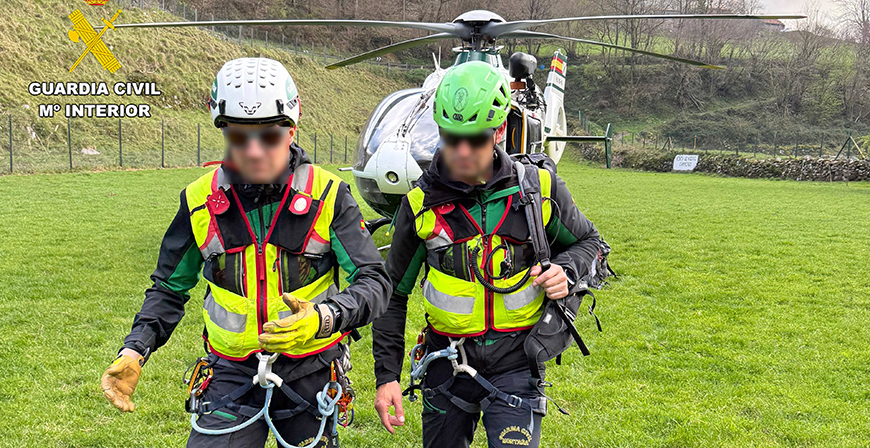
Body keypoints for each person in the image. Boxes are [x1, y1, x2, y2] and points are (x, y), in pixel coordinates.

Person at [101, 57, 391, 448]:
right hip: (230, 376)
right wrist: (135, 349)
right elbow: (169, 289)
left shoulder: (328, 196)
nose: (254, 152)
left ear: (291, 131)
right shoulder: (199, 201)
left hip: (311, 373)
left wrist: (325, 318)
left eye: (268, 137)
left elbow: (374, 281)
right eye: (239, 138)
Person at [371, 61, 601, 448]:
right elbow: (391, 294)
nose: (461, 151)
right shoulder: (418, 206)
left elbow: (589, 242)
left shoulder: (538, 190)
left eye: (474, 140)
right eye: (450, 138)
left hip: (517, 362)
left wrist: (566, 269)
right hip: (445, 362)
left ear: (498, 132)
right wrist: (387, 376)